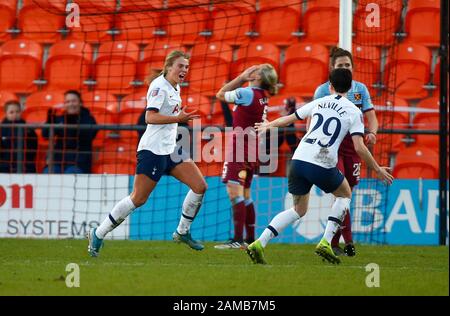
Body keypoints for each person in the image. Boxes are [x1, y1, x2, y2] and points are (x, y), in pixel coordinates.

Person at [247, 68, 393, 265]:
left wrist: (268, 125)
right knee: (344, 195)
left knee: (298, 209)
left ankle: (259, 243)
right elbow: (359, 146)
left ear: (330, 86)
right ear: (350, 87)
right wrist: (377, 169)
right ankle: (326, 242)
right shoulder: (354, 111)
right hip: (322, 162)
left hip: (298, 161)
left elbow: (289, 119)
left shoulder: (319, 101)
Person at [88, 50, 207, 257]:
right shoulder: (159, 87)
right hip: (153, 150)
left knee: (200, 186)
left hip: (170, 148)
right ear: (169, 66)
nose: (184, 70)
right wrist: (178, 118)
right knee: (138, 199)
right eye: (180, 66)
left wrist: (176, 118)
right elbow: (149, 117)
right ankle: (98, 233)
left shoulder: (174, 86)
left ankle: (182, 232)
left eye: (187, 67)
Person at [314, 47, 378, 257]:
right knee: (341, 193)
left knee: (346, 193)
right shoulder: (323, 90)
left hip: (353, 147)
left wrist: (373, 133)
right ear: (332, 67)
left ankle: (338, 243)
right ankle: (342, 242)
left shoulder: (360, 89)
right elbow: (312, 121)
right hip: (332, 148)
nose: (344, 68)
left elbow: (371, 116)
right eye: (340, 65)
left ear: (353, 67)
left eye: (347, 65)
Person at [214, 64, 278, 249]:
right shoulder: (262, 97)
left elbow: (220, 94)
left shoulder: (247, 93)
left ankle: (237, 239)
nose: (252, 70)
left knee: (234, 192)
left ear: (258, 77)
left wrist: (241, 77)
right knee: (246, 194)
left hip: (240, 147)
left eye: (256, 69)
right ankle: (250, 239)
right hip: (253, 149)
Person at [42, 90, 97, 174]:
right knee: (48, 173)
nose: (71, 104)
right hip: (58, 162)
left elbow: (89, 135)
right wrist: (50, 119)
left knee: (70, 173)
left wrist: (71, 119)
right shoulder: (60, 119)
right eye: (67, 102)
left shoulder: (88, 119)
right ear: (64, 104)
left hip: (79, 163)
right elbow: (45, 135)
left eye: (74, 101)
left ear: (80, 103)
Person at [0, 100, 37, 173]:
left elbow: (33, 149)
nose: (15, 114)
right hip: (4, 165)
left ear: (21, 112)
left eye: (17, 112)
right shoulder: (1, 129)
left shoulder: (29, 129)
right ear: (6, 114)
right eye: (11, 112)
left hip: (25, 164)